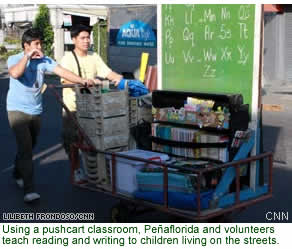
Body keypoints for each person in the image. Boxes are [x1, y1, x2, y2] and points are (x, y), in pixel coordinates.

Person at [7, 28, 94, 203]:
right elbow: (15, 73)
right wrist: (27, 57)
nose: (40, 46)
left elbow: (62, 71)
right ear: (26, 46)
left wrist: (82, 80)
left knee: (30, 146)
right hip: (16, 110)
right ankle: (29, 191)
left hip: (36, 111)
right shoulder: (15, 59)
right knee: (26, 149)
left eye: (41, 43)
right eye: (36, 44)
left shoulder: (44, 60)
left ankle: (17, 171)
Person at [60, 24, 122, 159]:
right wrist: (85, 81)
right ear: (74, 39)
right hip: (73, 108)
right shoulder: (68, 58)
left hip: (92, 107)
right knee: (72, 142)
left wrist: (120, 79)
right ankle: (76, 169)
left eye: (88, 38)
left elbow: (107, 72)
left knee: (94, 141)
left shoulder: (94, 56)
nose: (86, 41)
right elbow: (65, 82)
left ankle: (94, 170)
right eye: (82, 38)